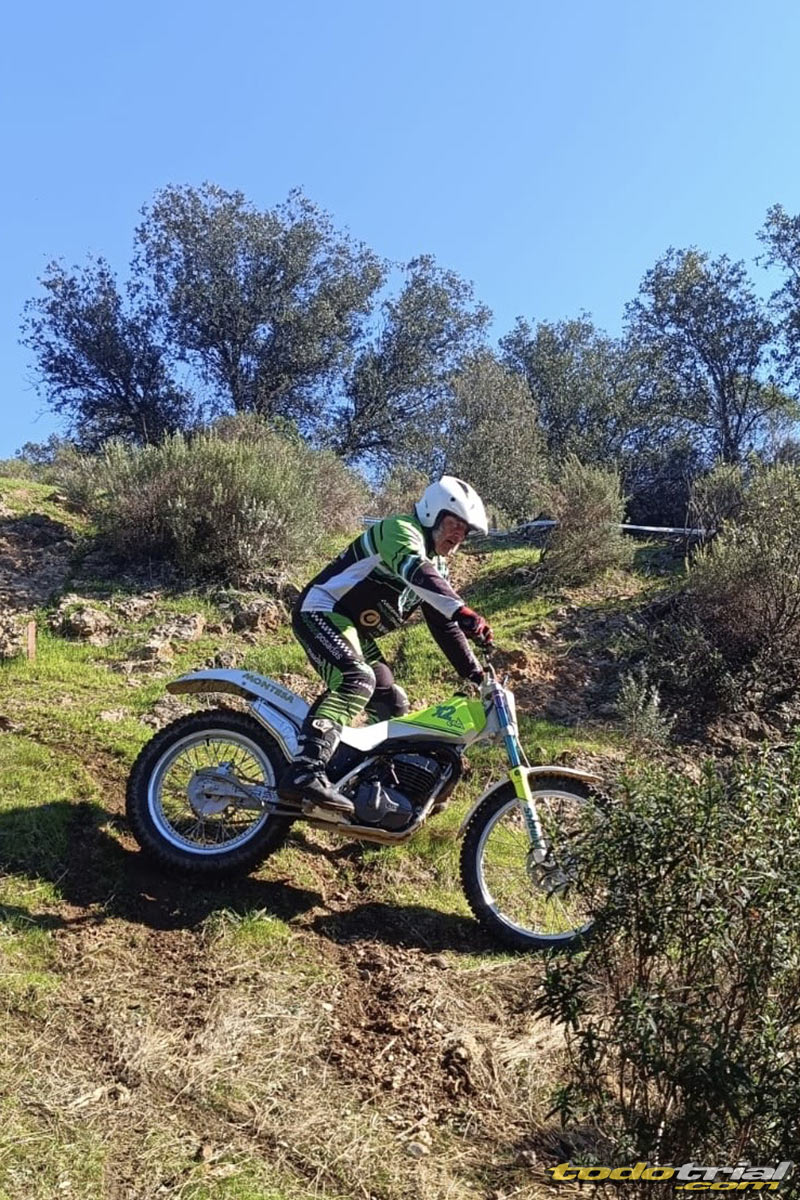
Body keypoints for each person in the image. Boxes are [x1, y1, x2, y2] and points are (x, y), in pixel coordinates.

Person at [278, 476, 495, 815]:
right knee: (356, 679)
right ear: (433, 514)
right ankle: (305, 770)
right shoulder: (400, 530)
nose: (459, 536)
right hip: (320, 610)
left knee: (390, 700)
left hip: (351, 628)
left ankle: (372, 797)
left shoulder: (438, 564)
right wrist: (462, 610)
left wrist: (476, 675)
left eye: (465, 531)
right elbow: (414, 569)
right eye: (455, 524)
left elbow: (443, 625)